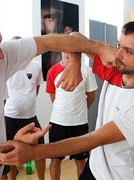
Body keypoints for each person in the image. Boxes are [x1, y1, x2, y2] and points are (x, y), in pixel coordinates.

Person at [0, 7, 117, 180]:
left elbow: (50, 41)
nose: (1, 54)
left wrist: (93, 50)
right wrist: (8, 152)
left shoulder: (1, 61)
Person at [0, 20, 134, 180]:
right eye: (118, 46)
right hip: (94, 167)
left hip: (116, 176)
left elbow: (95, 138)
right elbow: (74, 36)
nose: (118, 55)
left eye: (128, 51)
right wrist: (75, 63)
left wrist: (34, 152)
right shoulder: (116, 71)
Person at [46, 51, 98, 179]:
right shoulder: (53, 71)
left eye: (73, 50)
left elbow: (91, 96)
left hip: (79, 124)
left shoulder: (86, 70)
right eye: (66, 49)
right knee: (56, 160)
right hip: (57, 123)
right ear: (61, 50)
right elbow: (53, 97)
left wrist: (80, 111)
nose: (69, 53)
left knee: (80, 161)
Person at [5, 37, 46, 179]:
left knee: (40, 151)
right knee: (10, 154)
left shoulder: (35, 66)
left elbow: (37, 87)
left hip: (31, 118)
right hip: (10, 118)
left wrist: (27, 102)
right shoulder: (6, 66)